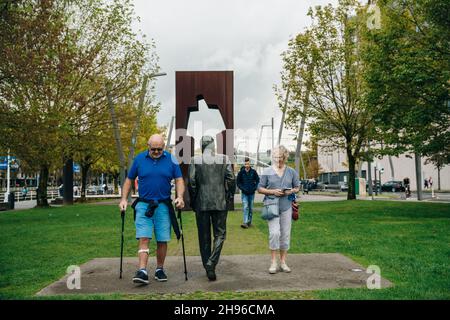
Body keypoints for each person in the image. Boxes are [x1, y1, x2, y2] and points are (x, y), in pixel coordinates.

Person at [119, 134, 185, 285]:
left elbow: (179, 179)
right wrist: (123, 199)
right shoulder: (140, 159)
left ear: (164, 147)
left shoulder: (171, 159)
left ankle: (159, 269)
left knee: (162, 239)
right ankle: (142, 271)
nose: (156, 152)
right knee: (144, 237)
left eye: (159, 149)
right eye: (153, 149)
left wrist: (180, 196)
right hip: (144, 205)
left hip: (163, 205)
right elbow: (129, 180)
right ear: (148, 146)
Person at [188, 136, 235, 281]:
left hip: (202, 203)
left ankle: (208, 264)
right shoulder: (224, 159)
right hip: (220, 201)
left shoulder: (195, 160)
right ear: (213, 146)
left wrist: (194, 200)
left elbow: (191, 182)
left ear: (202, 146)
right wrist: (229, 195)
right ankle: (211, 263)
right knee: (220, 234)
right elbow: (231, 178)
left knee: (204, 236)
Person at [258, 145, 300, 274]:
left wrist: (291, 191)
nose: (278, 160)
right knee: (274, 233)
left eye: (281, 157)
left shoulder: (291, 172)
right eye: (276, 157)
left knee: (285, 235)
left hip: (286, 206)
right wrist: (272, 191)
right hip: (271, 206)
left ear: (285, 157)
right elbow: (260, 188)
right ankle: (273, 262)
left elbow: (297, 187)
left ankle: (283, 262)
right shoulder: (267, 171)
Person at [236, 157, 259, 228]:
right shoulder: (241, 172)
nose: (247, 165)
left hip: (252, 193)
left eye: (248, 164)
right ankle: (245, 222)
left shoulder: (253, 172)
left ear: (250, 164)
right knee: (245, 207)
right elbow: (238, 182)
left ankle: (249, 222)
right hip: (244, 193)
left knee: (251, 208)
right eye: (245, 164)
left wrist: (254, 188)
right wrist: (242, 188)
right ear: (244, 164)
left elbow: (258, 180)